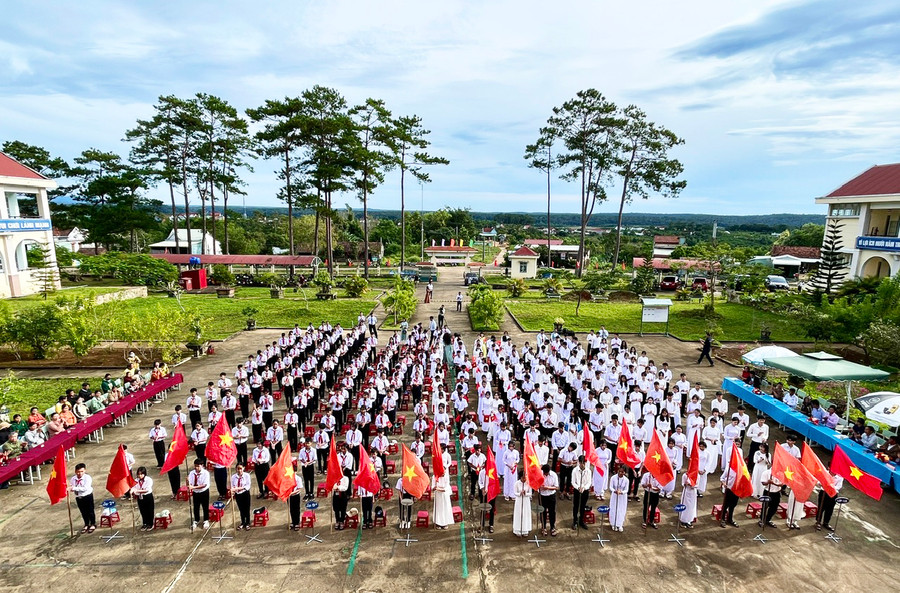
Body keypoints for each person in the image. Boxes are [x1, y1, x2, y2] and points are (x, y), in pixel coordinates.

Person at [70, 463, 97, 533]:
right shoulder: (73, 479)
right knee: (83, 512)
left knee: (90, 511)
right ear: (75, 471)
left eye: (82, 471)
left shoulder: (87, 478)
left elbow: (85, 488)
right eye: (78, 472)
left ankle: (93, 524)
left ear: (85, 470)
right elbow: (72, 486)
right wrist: (70, 488)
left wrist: (74, 488)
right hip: (78, 497)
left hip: (87, 496)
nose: (80, 473)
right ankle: (86, 524)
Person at [188, 459, 211, 530]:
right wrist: (188, 483)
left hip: (204, 491)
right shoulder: (192, 473)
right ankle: (196, 520)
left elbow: (204, 485)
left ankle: (206, 520)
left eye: (198, 466)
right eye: (195, 466)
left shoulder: (206, 473)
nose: (196, 468)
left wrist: (193, 487)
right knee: (196, 506)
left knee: (205, 506)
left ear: (202, 466)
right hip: (196, 492)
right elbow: (190, 483)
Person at [131, 467, 155, 531]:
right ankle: (145, 523)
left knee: (149, 510)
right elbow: (133, 488)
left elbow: (147, 490)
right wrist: (133, 491)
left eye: (141, 474)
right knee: (143, 510)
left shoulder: (148, 480)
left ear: (144, 474)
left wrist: (137, 490)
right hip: (140, 497)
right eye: (139, 474)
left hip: (148, 496)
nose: (140, 476)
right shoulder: (136, 481)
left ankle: (151, 523)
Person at [538, 464, 559, 536]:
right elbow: (536, 485)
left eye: (546, 473)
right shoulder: (540, 474)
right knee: (542, 511)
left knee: (552, 511)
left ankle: (552, 527)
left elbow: (556, 487)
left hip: (551, 495)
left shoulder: (554, 475)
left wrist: (547, 488)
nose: (545, 474)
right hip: (542, 495)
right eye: (544, 473)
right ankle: (543, 527)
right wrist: (540, 486)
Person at [571, 455, 591, 530]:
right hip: (577, 490)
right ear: (579, 462)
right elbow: (573, 482)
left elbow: (589, 482)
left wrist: (584, 488)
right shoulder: (575, 470)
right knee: (576, 506)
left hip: (585, 491)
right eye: (581, 463)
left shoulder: (588, 471)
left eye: (583, 463)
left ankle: (581, 521)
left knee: (583, 506)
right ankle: (575, 521)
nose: (582, 464)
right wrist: (578, 487)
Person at [608, 466, 629, 532]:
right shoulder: (613, 478)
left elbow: (626, 490)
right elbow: (611, 487)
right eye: (619, 471)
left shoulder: (626, 480)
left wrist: (621, 492)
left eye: (622, 472)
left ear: (624, 472)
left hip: (622, 497)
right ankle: (613, 523)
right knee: (614, 509)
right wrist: (615, 491)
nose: (620, 473)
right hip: (614, 495)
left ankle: (620, 524)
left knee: (621, 510)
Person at [719, 463, 740, 528]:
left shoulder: (741, 470)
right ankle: (722, 519)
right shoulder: (729, 469)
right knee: (726, 505)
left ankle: (730, 519)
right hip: (729, 489)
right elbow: (722, 478)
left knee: (733, 505)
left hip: (737, 490)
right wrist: (724, 483)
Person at [513, 470, 532, 537]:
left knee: (525, 514)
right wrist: (520, 493)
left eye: (525, 477)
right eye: (523, 477)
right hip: (519, 500)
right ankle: (517, 529)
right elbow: (515, 492)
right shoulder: (517, 483)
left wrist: (526, 493)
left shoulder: (528, 483)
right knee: (519, 514)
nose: (524, 479)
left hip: (526, 500)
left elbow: (530, 493)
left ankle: (525, 529)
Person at [477, 465, 496, 532]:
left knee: (491, 508)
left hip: (492, 492)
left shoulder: (493, 472)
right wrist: (482, 489)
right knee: (483, 508)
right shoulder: (482, 472)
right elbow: (480, 482)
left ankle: (491, 525)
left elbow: (494, 482)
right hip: (484, 492)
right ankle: (481, 524)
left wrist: (489, 489)